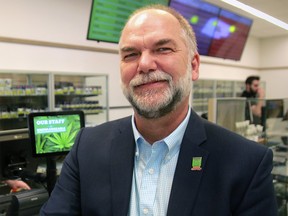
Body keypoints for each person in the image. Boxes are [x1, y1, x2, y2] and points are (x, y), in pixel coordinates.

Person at [40, 4, 277, 215]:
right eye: (131, 54)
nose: (144, 64)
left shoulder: (246, 163)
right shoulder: (87, 147)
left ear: (193, 66)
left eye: (163, 49)